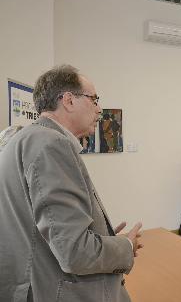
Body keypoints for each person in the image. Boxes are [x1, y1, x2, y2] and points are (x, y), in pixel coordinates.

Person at [0, 65, 143, 301]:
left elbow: (45, 229)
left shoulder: (24, 140)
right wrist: (124, 247)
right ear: (68, 100)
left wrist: (102, 236)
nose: (99, 109)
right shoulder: (50, 144)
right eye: (94, 99)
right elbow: (74, 251)